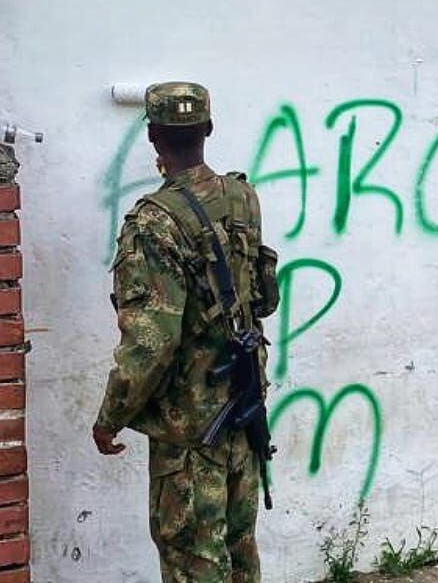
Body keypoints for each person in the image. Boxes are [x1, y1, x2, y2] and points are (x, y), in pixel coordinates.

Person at [93, 82, 276, 582]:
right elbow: (263, 299)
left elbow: (152, 344)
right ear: (208, 129)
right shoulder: (242, 198)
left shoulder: (153, 222)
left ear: (153, 135)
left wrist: (110, 418)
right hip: (242, 408)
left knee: (194, 560)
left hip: (191, 429)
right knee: (239, 552)